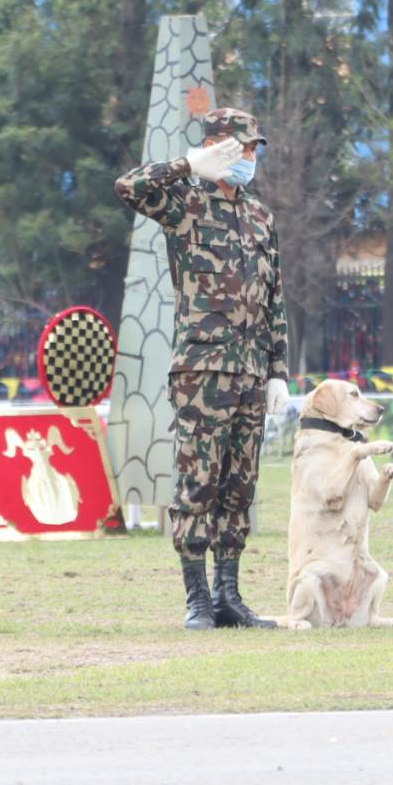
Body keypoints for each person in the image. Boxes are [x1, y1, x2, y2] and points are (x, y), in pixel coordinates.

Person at [115, 107, 289, 630]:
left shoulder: (260, 216)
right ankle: (197, 600)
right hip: (201, 371)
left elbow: (275, 299)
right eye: (242, 147)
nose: (251, 156)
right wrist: (188, 165)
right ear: (218, 148)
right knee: (198, 484)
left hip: (251, 373)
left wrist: (278, 370)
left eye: (254, 148)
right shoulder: (185, 203)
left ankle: (228, 595)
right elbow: (128, 186)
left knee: (240, 487)